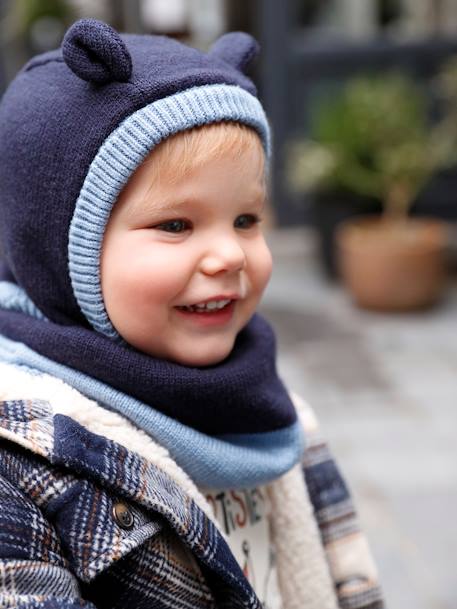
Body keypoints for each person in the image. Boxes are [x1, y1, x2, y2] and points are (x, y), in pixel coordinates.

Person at [0, 19, 383, 609]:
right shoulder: (21, 462)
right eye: (176, 225)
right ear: (55, 249)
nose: (230, 254)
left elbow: (346, 576)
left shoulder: (270, 411)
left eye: (247, 220)